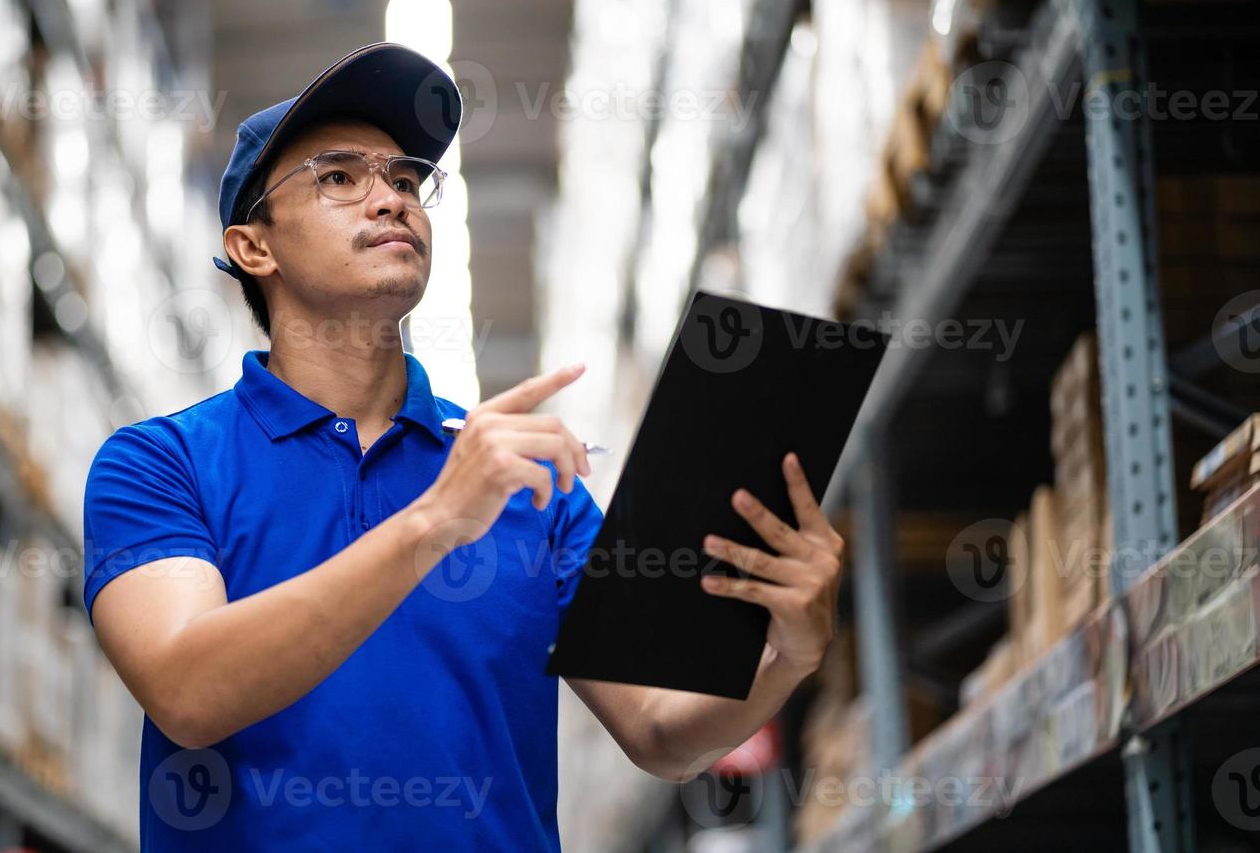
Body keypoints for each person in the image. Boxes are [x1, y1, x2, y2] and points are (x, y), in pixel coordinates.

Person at [83, 43, 845, 851]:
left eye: (407, 180)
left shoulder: (527, 483)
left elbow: (662, 733)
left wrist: (786, 659)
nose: (390, 200)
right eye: (339, 177)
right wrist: (435, 519)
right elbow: (188, 691)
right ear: (253, 247)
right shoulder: (160, 465)